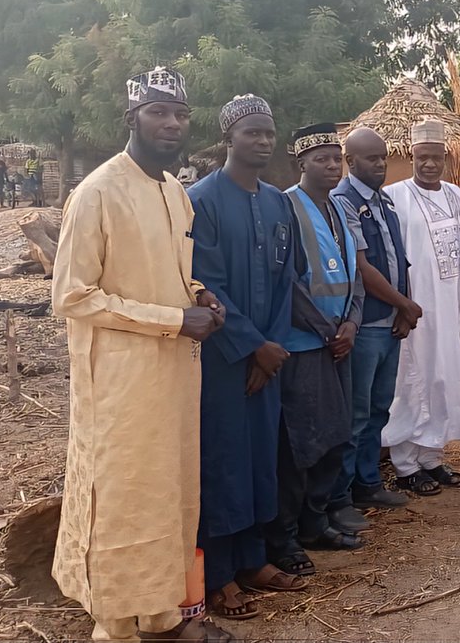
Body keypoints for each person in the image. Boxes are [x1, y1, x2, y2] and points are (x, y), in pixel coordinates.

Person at [52, 66, 233, 643]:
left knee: (170, 493)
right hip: (120, 383)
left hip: (175, 375)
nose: (172, 124)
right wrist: (174, 320)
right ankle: (114, 623)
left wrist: (198, 296)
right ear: (132, 118)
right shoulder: (97, 191)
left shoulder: (176, 192)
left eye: (180, 113)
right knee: (124, 496)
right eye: (158, 112)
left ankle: (162, 612)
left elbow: (165, 276)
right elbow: (73, 296)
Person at [188, 95, 307, 622]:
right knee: (224, 462)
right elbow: (202, 283)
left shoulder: (279, 202)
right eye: (252, 133)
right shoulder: (202, 200)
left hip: (268, 359)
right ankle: (217, 576)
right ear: (229, 139)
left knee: (261, 461)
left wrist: (272, 349)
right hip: (222, 359)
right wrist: (251, 345)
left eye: (268, 132)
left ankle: (254, 560)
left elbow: (287, 282)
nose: (262, 141)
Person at [265, 123, 367, 578]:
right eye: (321, 159)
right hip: (305, 345)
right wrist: (328, 330)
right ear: (300, 163)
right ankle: (284, 536)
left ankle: (315, 521)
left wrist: (351, 323)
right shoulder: (284, 208)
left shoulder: (341, 210)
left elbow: (356, 274)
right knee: (301, 444)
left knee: (335, 438)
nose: (331, 166)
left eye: (336, 159)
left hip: (339, 342)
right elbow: (285, 282)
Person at [328, 126, 421, 512]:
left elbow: (401, 258)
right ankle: (343, 494)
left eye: (383, 157)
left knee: (380, 407)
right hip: (364, 324)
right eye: (371, 158)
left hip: (389, 323)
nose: (381, 164)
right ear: (350, 162)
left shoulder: (385, 202)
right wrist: (403, 303)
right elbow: (361, 266)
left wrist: (405, 304)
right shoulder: (342, 201)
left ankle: (368, 483)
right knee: (356, 412)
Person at [382, 118, 460, 495]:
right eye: (423, 158)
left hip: (449, 306)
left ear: (446, 158)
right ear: (412, 156)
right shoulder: (394, 196)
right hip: (413, 308)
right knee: (411, 381)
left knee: (442, 377)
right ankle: (404, 465)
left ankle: (431, 458)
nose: (430, 164)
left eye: (436, 158)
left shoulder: (458, 197)